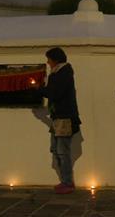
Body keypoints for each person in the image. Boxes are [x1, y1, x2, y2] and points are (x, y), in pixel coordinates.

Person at [43, 47, 80, 194]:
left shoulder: (63, 73)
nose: (48, 62)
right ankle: (65, 180)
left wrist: (40, 89)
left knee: (63, 151)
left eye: (49, 59)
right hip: (57, 118)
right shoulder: (57, 74)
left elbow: (55, 93)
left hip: (65, 117)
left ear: (55, 59)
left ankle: (68, 182)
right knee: (55, 149)